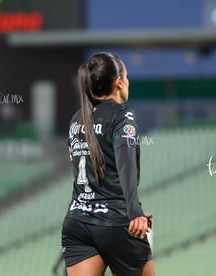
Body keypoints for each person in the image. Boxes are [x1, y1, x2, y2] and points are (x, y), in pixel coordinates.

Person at [61, 52, 155, 276]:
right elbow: (126, 165)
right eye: (128, 77)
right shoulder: (123, 115)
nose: (128, 82)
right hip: (115, 224)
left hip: (77, 223)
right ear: (119, 82)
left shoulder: (76, 119)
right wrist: (134, 212)